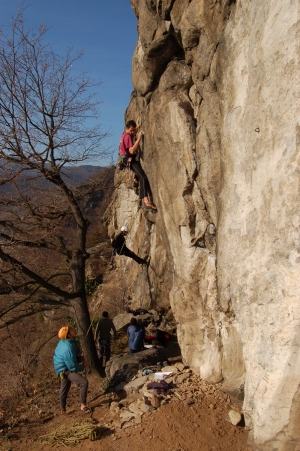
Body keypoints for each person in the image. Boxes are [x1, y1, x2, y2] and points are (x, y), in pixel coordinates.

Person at [120, 120, 156, 210]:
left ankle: (135, 180)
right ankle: (146, 201)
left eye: (133, 130)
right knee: (143, 178)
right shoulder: (127, 137)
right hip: (129, 159)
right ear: (127, 128)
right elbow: (132, 151)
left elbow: (134, 130)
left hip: (126, 159)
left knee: (138, 170)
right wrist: (139, 138)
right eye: (131, 130)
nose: (133, 132)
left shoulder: (124, 133)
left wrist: (138, 126)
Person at [53, 326, 91, 414]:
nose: (73, 330)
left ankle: (62, 409)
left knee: (64, 388)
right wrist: (82, 366)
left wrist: (78, 358)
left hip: (61, 368)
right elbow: (72, 367)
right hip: (65, 369)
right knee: (83, 382)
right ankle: (83, 405)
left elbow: (71, 358)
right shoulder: (67, 348)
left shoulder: (65, 342)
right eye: (71, 330)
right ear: (68, 334)